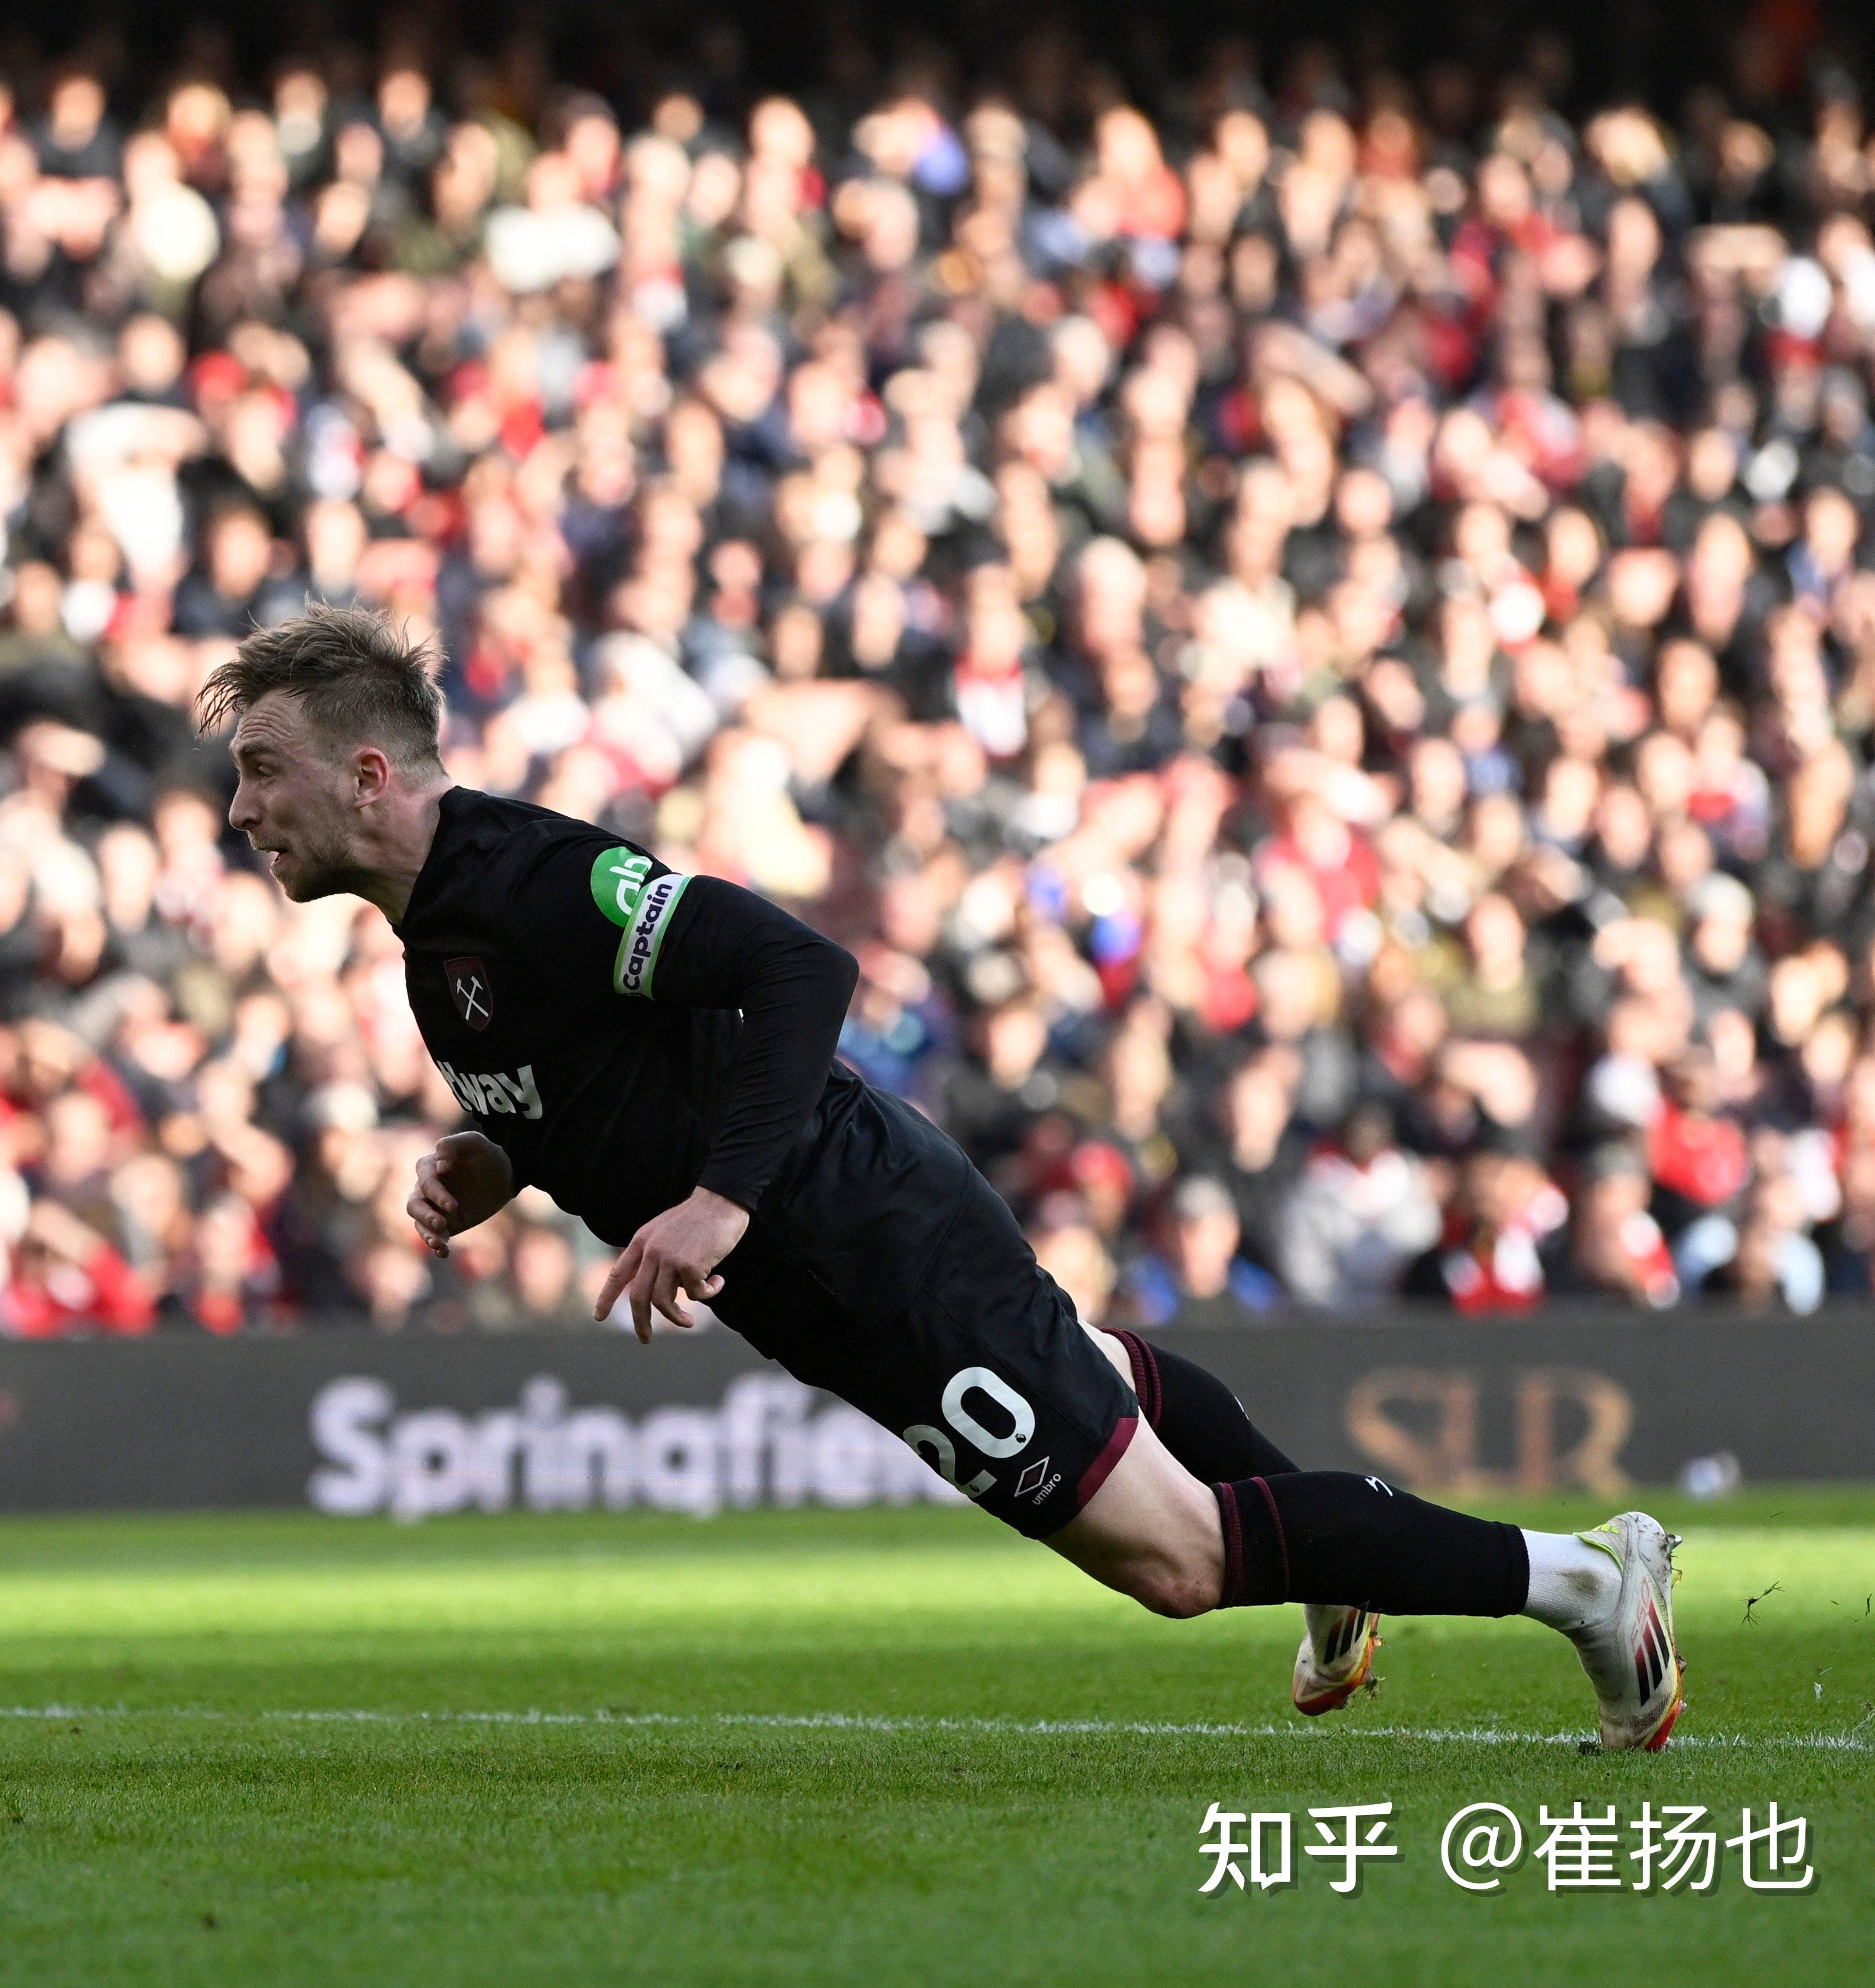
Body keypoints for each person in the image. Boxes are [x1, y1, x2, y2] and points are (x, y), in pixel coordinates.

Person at [204, 604, 1684, 1751]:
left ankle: (1581, 1580)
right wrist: (504, 1152)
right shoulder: (437, 938)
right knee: (1095, 1369)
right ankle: (1328, 1544)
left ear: (369, 769)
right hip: (821, 1265)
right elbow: (620, 1067)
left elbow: (794, 967)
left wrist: (720, 1197)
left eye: (261, 767)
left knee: (1171, 1562)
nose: (241, 808)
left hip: (856, 1230)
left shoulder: (529, 874)